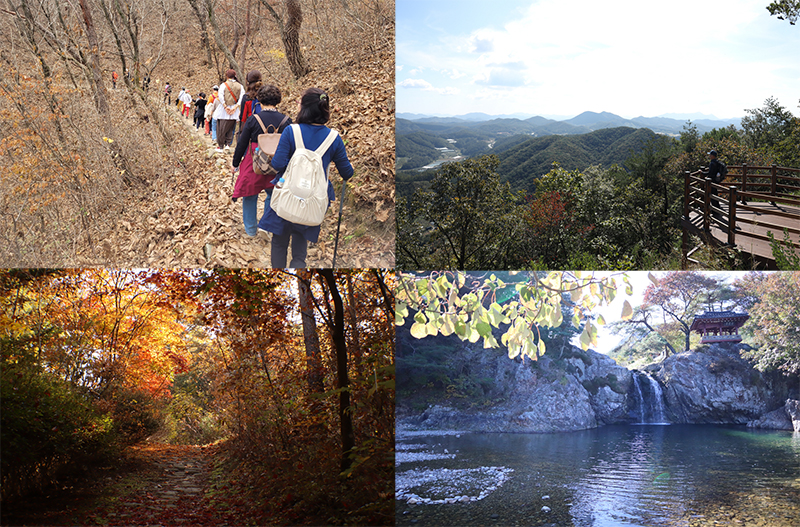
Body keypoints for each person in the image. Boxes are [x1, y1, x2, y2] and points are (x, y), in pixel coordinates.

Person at [257, 87, 353, 268]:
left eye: (299, 101)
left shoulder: (291, 131)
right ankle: (299, 269)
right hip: (314, 197)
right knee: (300, 240)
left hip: (286, 192)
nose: (296, 104)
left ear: (305, 108)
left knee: (279, 241)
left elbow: (277, 164)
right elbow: (346, 173)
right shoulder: (334, 138)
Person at [231, 85, 292, 237]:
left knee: (250, 194)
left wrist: (235, 163)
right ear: (278, 100)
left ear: (259, 100)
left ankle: (251, 230)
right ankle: (266, 226)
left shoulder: (253, 120)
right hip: (277, 162)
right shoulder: (286, 121)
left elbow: (242, 143)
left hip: (254, 161)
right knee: (273, 194)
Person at [213, 69, 244, 153]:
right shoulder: (240, 86)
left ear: (227, 76)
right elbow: (242, 97)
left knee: (221, 128)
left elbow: (221, 96)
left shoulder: (224, 85)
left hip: (224, 109)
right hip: (234, 109)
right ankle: (227, 145)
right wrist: (235, 107)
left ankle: (221, 146)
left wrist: (225, 106)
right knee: (230, 128)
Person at [238, 70, 263, 137]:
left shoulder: (247, 97)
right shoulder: (266, 95)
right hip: (265, 130)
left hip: (251, 130)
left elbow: (243, 118)